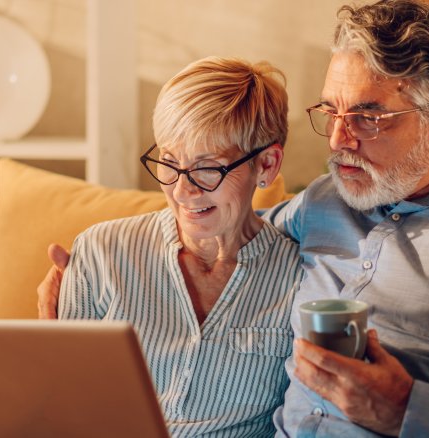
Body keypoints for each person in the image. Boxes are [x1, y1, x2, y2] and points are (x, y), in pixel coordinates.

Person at [39, 1, 429, 436]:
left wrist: (413, 410)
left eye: (371, 118)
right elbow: (219, 208)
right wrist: (90, 293)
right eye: (332, 112)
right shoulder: (325, 201)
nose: (340, 140)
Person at [55, 56, 302, 437]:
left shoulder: (300, 277)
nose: (182, 190)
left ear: (267, 165)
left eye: (207, 168)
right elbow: (62, 407)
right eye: (169, 163)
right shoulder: (100, 252)